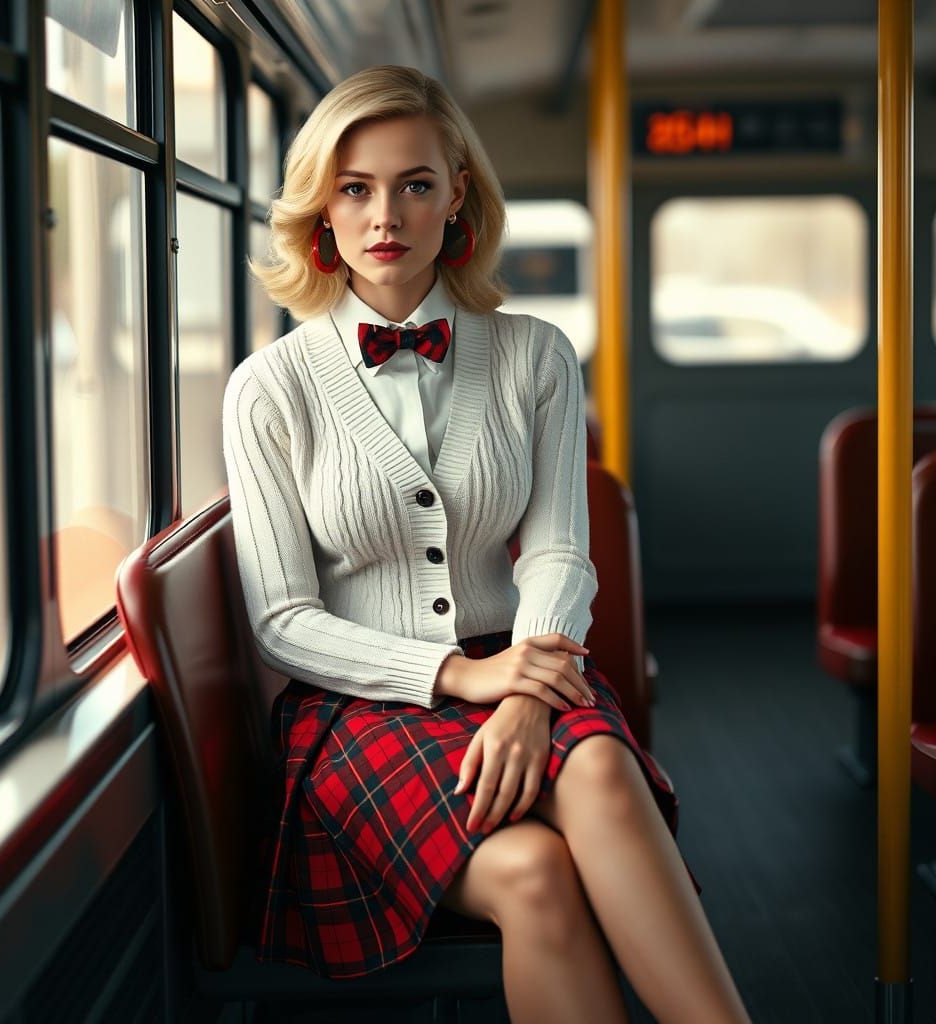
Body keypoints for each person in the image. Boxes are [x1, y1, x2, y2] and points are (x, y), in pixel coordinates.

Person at [224, 65, 750, 1024]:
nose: (388, 214)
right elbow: (283, 621)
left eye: (415, 184)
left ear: (457, 195)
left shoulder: (536, 355)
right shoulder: (271, 387)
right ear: (321, 212)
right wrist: (463, 679)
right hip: (359, 709)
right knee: (537, 876)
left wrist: (526, 688)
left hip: (523, 667)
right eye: (357, 188)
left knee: (595, 763)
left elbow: (558, 558)